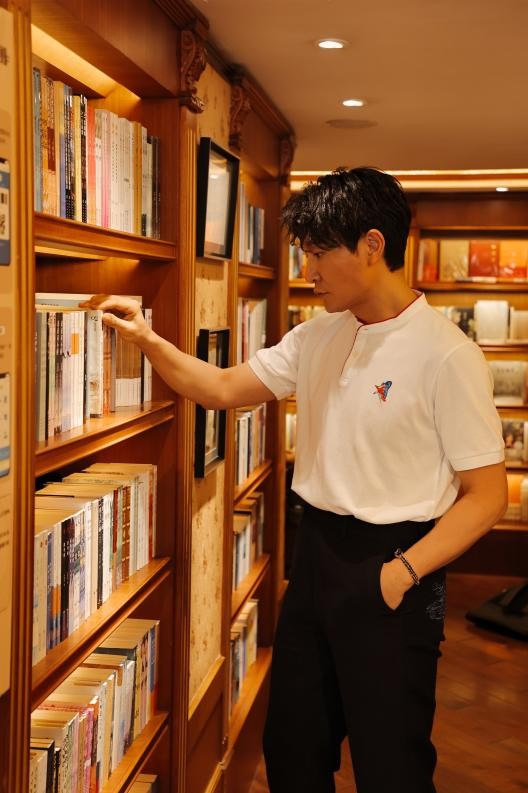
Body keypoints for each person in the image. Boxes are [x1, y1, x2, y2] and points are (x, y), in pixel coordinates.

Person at [81, 167, 507, 793]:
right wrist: (147, 339)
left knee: (392, 765)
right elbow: (221, 388)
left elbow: (487, 496)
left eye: (318, 253)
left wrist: (400, 574)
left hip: (396, 562)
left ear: (372, 245)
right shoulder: (317, 334)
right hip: (314, 556)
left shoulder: (447, 354)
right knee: (294, 749)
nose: (308, 270)